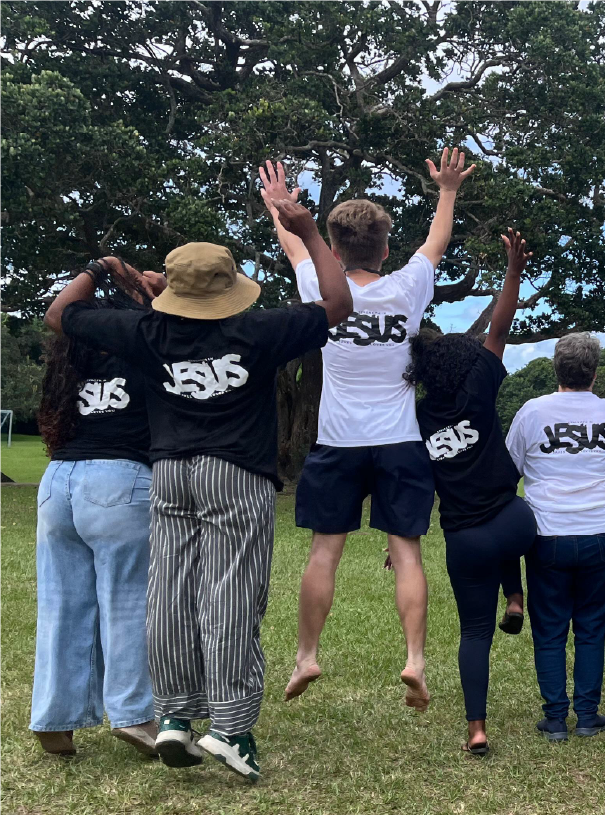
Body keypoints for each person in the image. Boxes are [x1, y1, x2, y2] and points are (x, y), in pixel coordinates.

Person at [47, 197, 352, 783]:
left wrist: (101, 267)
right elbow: (338, 304)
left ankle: (174, 717)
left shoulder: (148, 329)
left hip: (170, 474)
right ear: (231, 285)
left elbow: (61, 315)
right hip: (236, 473)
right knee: (231, 595)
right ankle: (232, 730)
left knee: (170, 595)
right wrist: (311, 233)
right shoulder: (261, 328)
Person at [262, 150, 475, 709]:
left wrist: (277, 206)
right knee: (406, 553)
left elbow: (294, 244)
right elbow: (436, 242)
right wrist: (446, 190)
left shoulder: (316, 279)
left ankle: (307, 656)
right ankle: (414, 660)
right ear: (384, 248)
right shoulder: (407, 287)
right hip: (399, 443)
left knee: (323, 554)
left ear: (333, 248)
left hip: (338, 443)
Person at [30, 258, 163, 759]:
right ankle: (135, 714)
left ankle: (54, 717)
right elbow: (186, 314)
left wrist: (101, 268)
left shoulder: (73, 361)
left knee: (63, 605)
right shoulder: (147, 348)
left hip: (58, 482)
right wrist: (152, 287)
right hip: (121, 481)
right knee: (129, 602)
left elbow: (59, 312)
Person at [411, 232, 537, 756]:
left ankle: (477, 729)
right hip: (513, 522)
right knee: (520, 519)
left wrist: (404, 543)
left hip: (464, 539)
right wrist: (512, 273)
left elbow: (415, 484)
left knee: (473, 635)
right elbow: (500, 328)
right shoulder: (481, 384)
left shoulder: (414, 417)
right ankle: (517, 594)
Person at [505, 333, 605, 742]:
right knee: (592, 626)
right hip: (603, 530)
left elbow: (511, 469)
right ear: (595, 372)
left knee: (550, 628)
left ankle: (556, 717)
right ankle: (588, 715)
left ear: (556, 368)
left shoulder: (532, 412)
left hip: (549, 532)